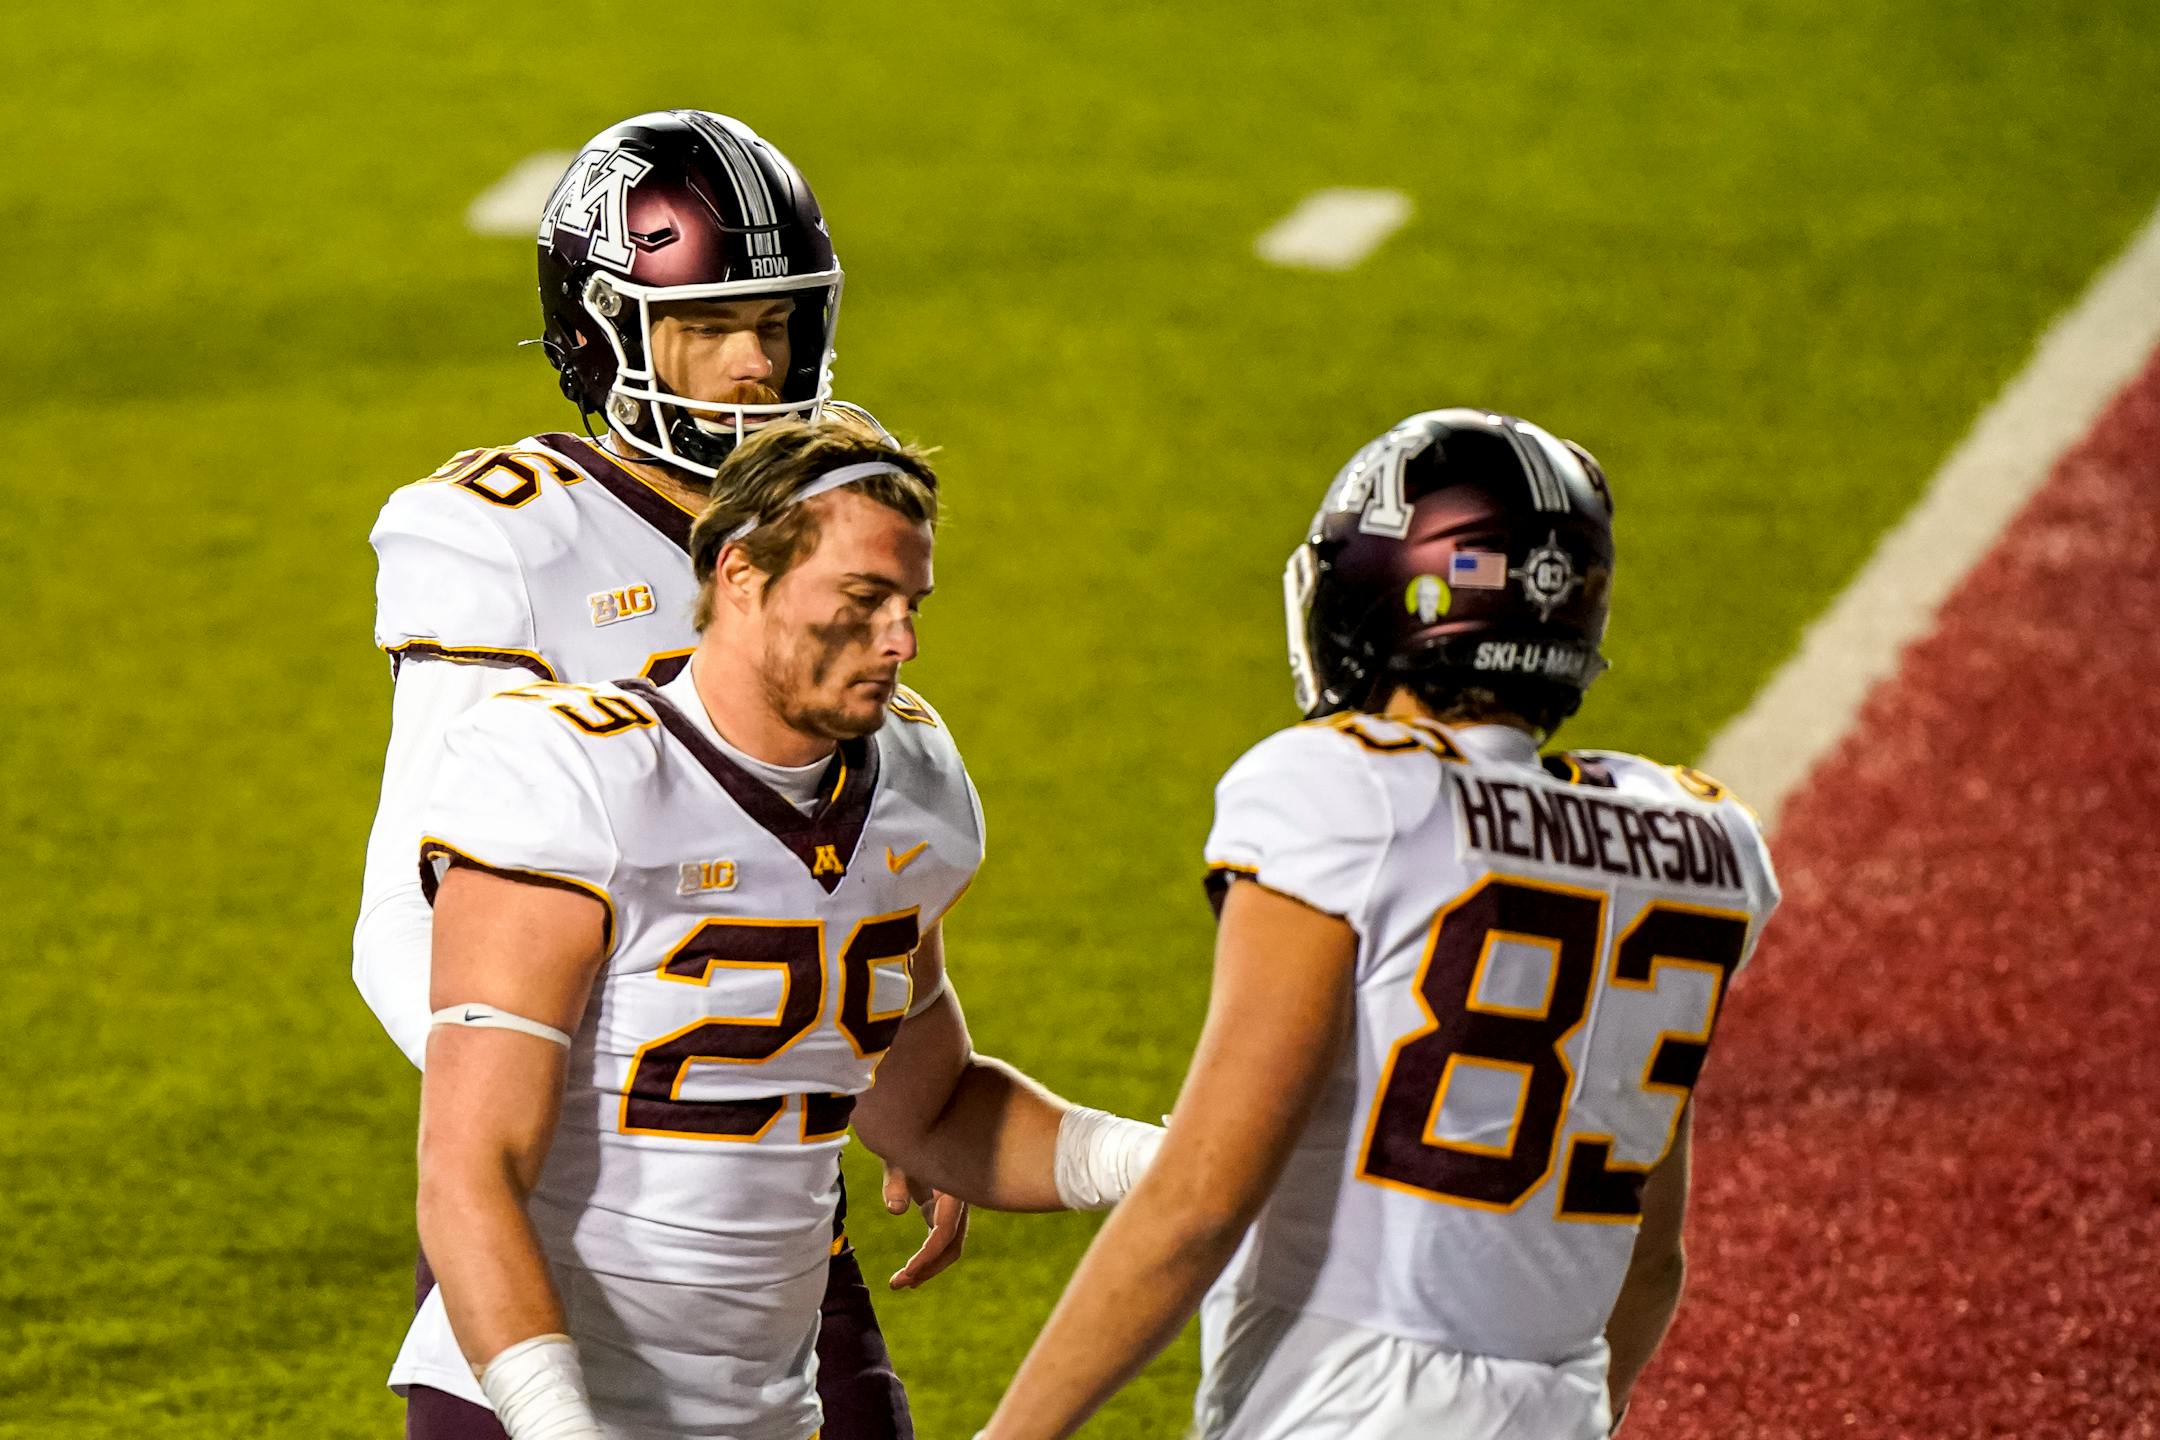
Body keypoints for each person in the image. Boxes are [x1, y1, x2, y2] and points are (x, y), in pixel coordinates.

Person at [978, 410, 1782, 1440]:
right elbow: (1651, 1254)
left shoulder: (1346, 792)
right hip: (1558, 1405)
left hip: (1346, 1394)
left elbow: (1203, 1200)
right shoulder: (1698, 840)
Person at [355, 111, 943, 1437]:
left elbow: (841, 863)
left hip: (765, 1198)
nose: (752, 364)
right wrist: (524, 1119)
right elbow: (408, 909)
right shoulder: (513, 535)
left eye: (779, 325)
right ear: (600, 329)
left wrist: (899, 1087)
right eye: (707, 326)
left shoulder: (831, 506)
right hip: (571, 1205)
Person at [409, 417, 1163, 1440]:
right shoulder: (574, 777)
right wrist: (559, 1427)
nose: (899, 641)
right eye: (861, 604)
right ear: (742, 577)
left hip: (764, 1405)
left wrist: (1166, 1161)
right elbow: (470, 1170)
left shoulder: (913, 785)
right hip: (532, 1398)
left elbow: (930, 1111)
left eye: (909, 605)